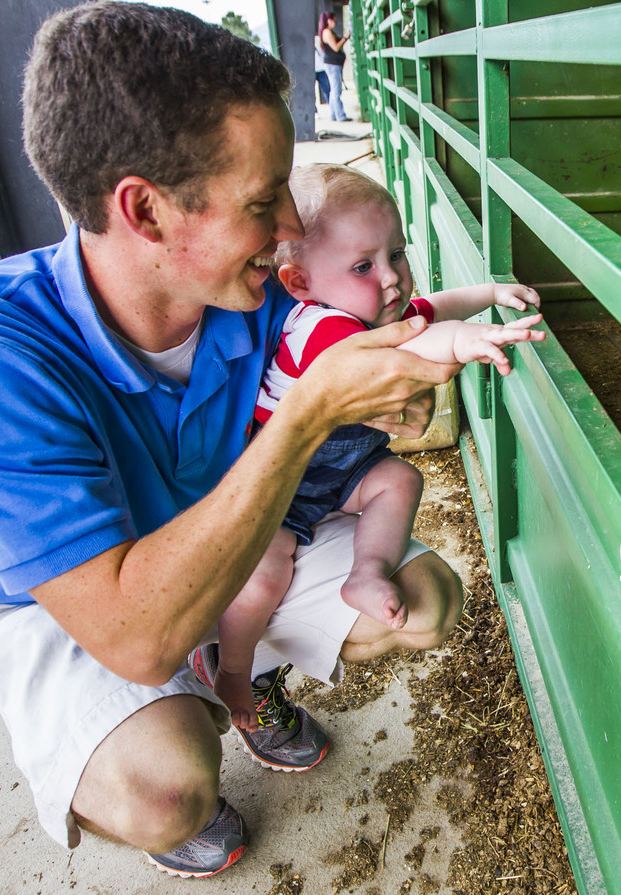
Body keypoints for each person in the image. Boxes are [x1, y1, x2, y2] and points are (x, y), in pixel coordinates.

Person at [0, 1, 464, 880]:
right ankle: (173, 730)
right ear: (146, 213)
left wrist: (395, 401)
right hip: (70, 602)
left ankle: (246, 676)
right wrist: (312, 410)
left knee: (423, 601)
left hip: (222, 538)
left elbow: (381, 378)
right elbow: (133, 632)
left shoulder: (259, 293)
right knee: (166, 784)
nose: (287, 234)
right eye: (263, 201)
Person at [207, 164, 543, 728]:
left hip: (342, 473)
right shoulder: (321, 327)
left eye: (398, 254)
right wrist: (469, 341)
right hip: (277, 489)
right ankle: (235, 671)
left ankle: (367, 570)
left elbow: (434, 308)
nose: (392, 279)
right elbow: (413, 349)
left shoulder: (377, 308)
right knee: (264, 576)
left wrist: (489, 295)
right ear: (299, 284)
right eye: (363, 265)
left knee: (401, 479)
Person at [318, 10, 350, 122]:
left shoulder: (328, 31)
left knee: (333, 90)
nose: (335, 22)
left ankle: (334, 115)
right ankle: (341, 116)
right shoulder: (326, 32)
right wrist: (345, 38)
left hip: (333, 64)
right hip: (333, 64)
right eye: (334, 20)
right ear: (329, 20)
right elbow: (336, 47)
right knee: (336, 90)